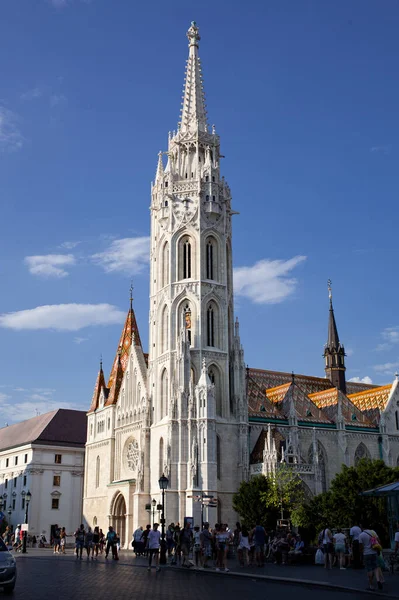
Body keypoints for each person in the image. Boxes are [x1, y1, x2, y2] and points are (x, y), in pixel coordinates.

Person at [359, 527, 383, 591]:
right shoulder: (373, 532)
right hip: (374, 552)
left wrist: (361, 554)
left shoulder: (361, 535)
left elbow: (361, 547)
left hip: (366, 553)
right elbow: (379, 541)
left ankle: (371, 585)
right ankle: (378, 580)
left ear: (362, 527)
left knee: (369, 569)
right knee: (376, 567)